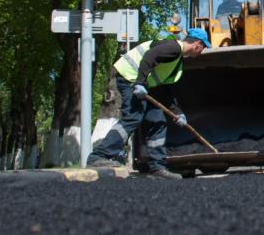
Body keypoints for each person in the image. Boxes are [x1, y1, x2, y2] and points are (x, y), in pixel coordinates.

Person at [86, 28, 211, 178]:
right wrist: (140, 83)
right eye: (204, 47)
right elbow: (149, 56)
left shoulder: (177, 60)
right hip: (129, 78)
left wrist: (178, 113)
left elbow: (164, 90)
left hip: (145, 86)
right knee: (133, 117)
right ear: (197, 44)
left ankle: (157, 167)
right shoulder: (173, 47)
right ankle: (99, 156)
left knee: (157, 121)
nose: (202, 51)